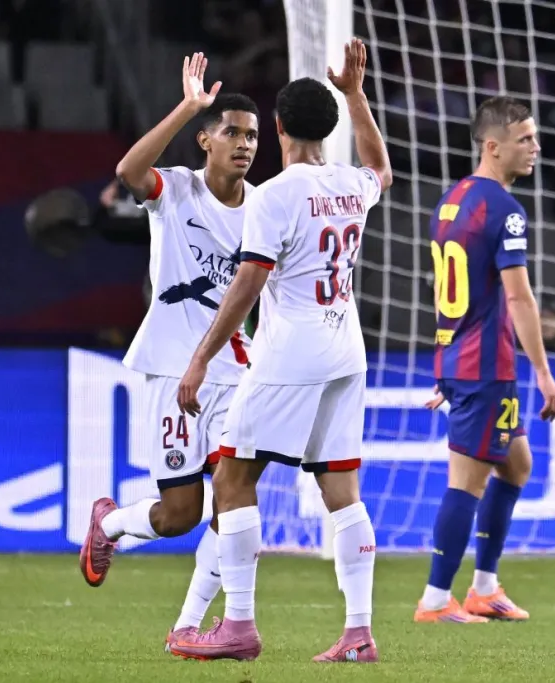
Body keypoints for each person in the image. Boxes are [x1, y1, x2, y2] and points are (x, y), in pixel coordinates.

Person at [171, 38, 392, 663]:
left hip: (293, 350)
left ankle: (237, 626)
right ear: (328, 127)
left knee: (233, 478)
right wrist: (357, 95)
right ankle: (358, 632)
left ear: (276, 128)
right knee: (342, 490)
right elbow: (383, 169)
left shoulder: (273, 195)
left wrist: (199, 359)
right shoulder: (352, 184)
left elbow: (249, 282)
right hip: (348, 348)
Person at [78, 52, 261, 652]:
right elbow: (129, 170)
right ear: (205, 139)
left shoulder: (263, 209)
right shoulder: (175, 190)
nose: (244, 143)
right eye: (232, 132)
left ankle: (189, 624)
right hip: (168, 369)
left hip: (236, 370)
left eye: (253, 135)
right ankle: (108, 523)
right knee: (179, 514)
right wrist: (187, 106)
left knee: (232, 499)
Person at [414, 96, 555, 624]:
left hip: (466, 361)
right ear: (492, 146)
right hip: (484, 366)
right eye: (525, 139)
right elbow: (519, 298)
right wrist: (543, 373)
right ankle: (435, 599)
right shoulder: (504, 209)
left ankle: (484, 587)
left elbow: (448, 292)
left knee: (516, 464)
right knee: (467, 481)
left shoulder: (452, 200)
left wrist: (447, 362)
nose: (536, 148)